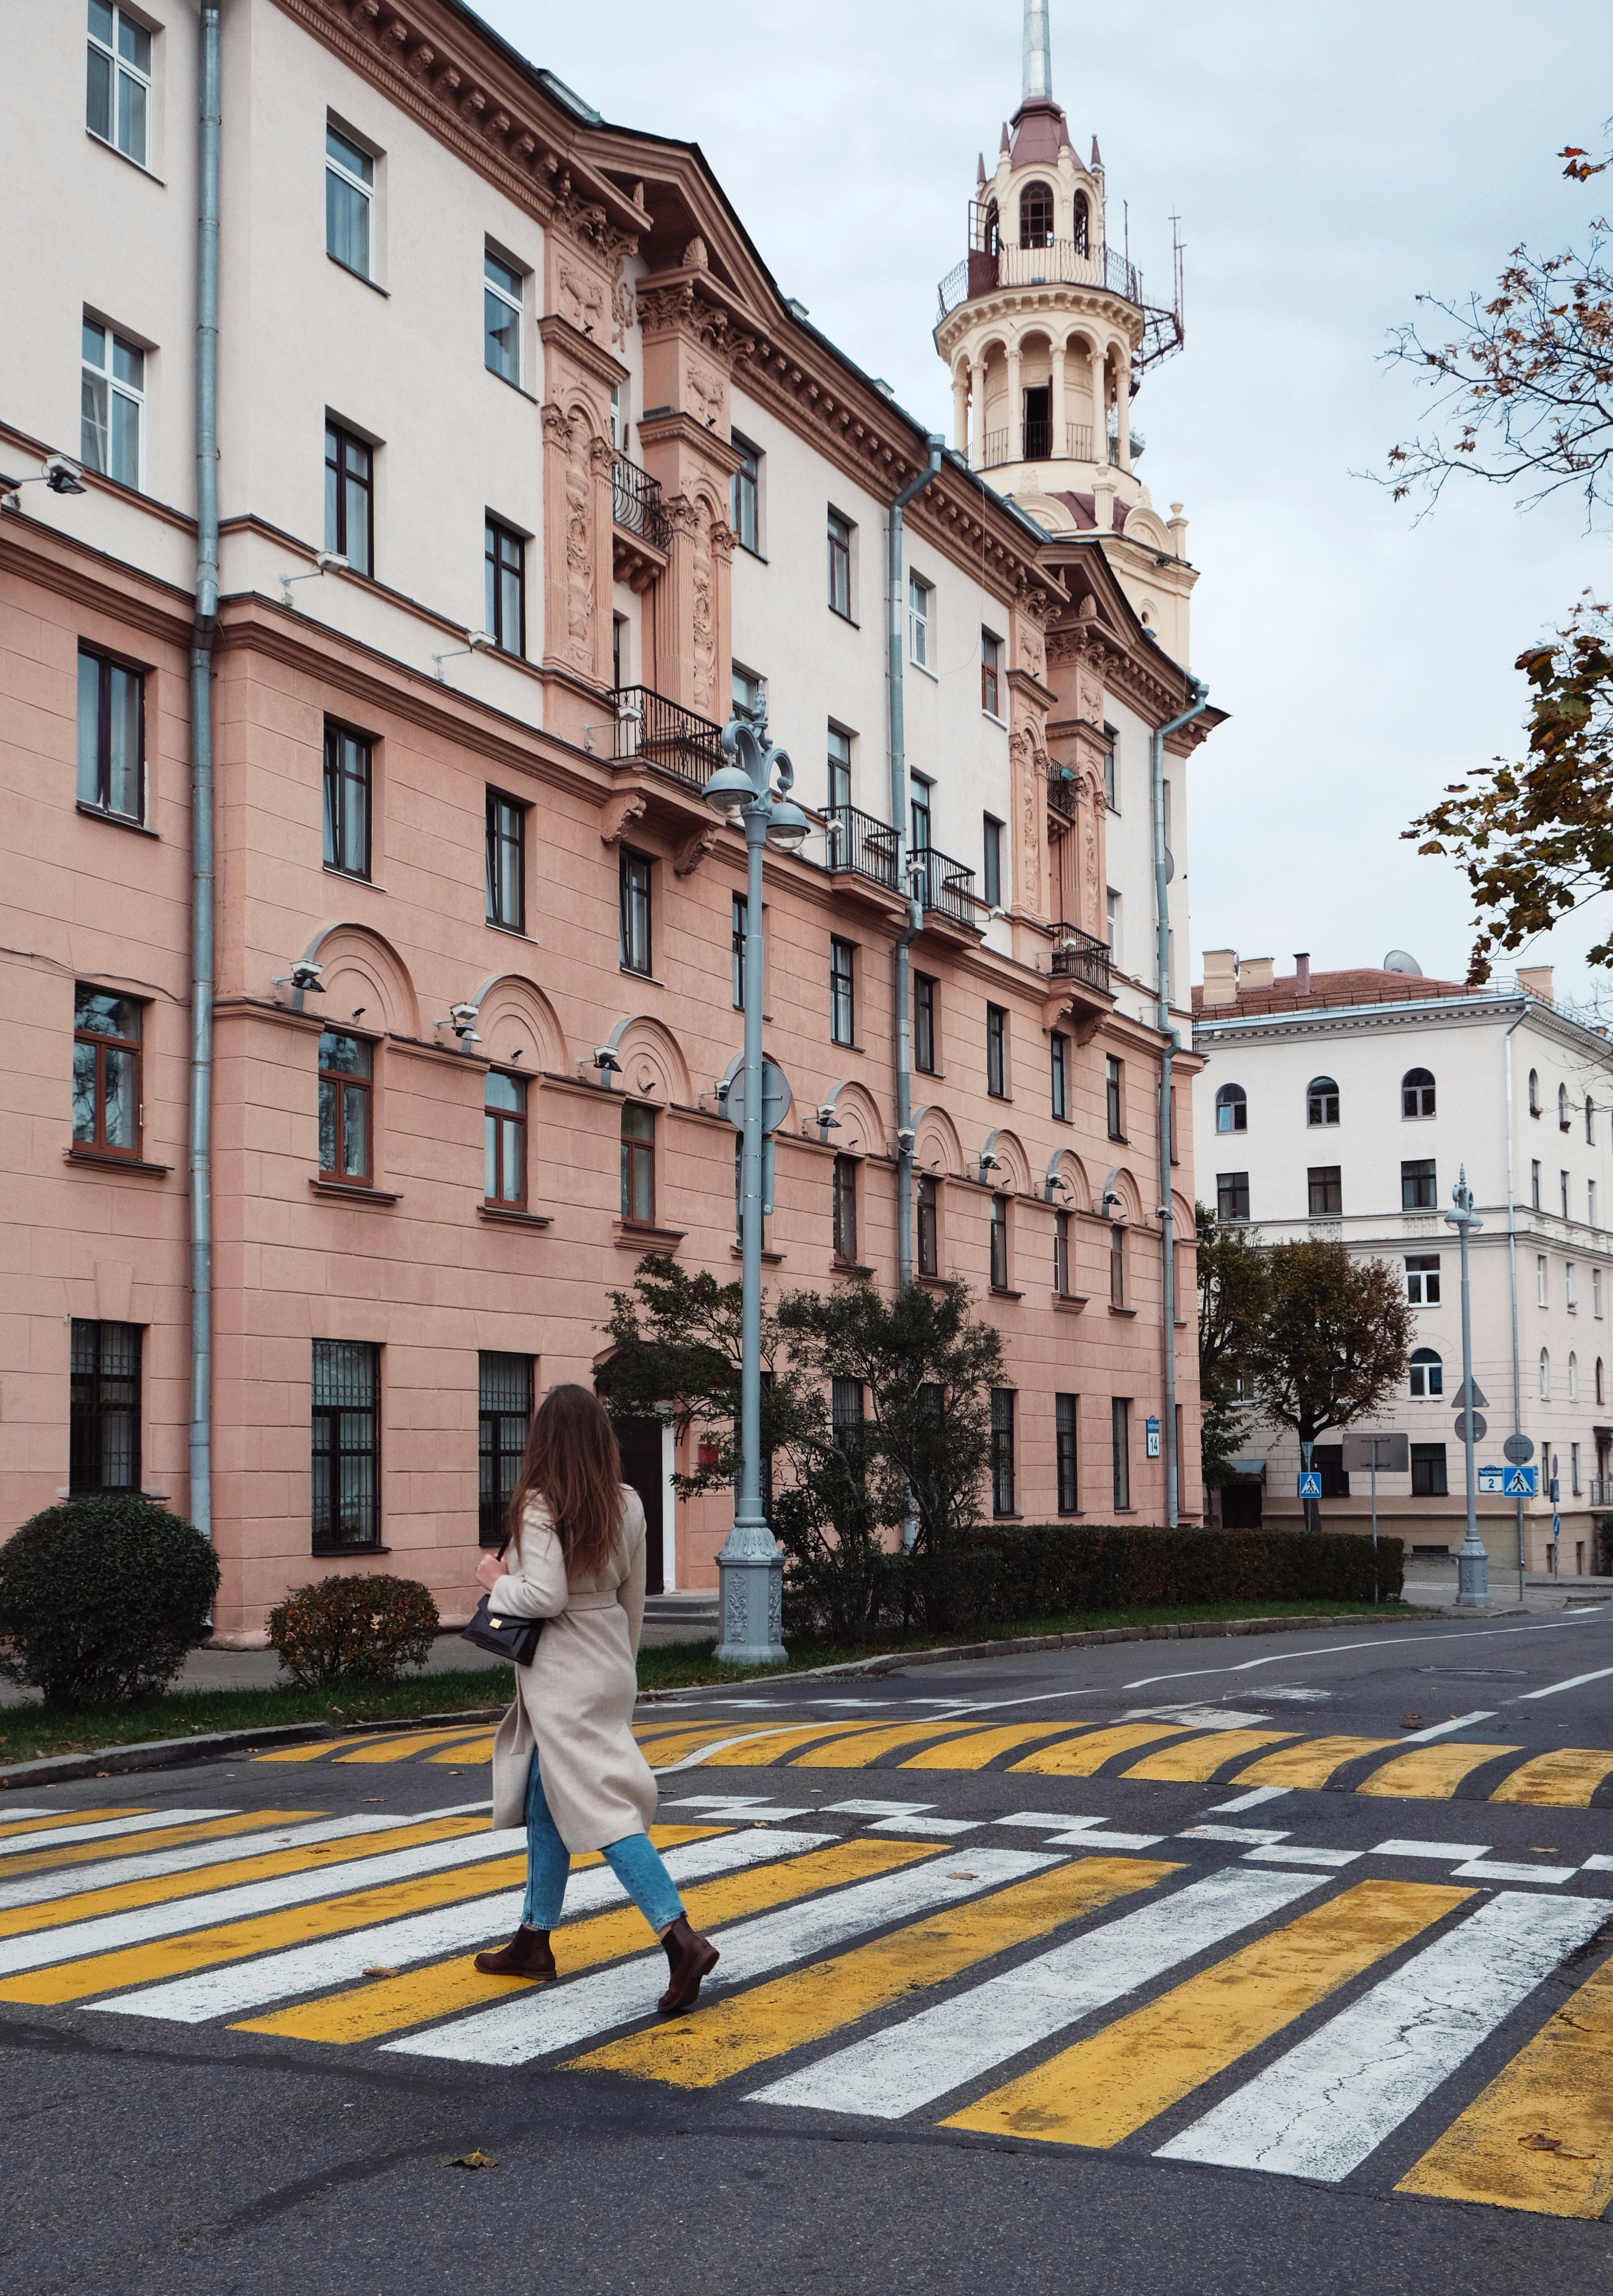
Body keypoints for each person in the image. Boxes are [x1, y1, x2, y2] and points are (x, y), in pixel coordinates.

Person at [470, 1383, 718, 2014]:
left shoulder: (539, 1504)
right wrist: (622, 1667)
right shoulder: (628, 1502)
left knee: (599, 1804)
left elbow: (544, 1597)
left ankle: (679, 1936)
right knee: (546, 1791)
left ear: (545, 1440)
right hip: (608, 1656)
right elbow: (633, 1598)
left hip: (563, 1666)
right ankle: (533, 1939)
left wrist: (499, 1583)